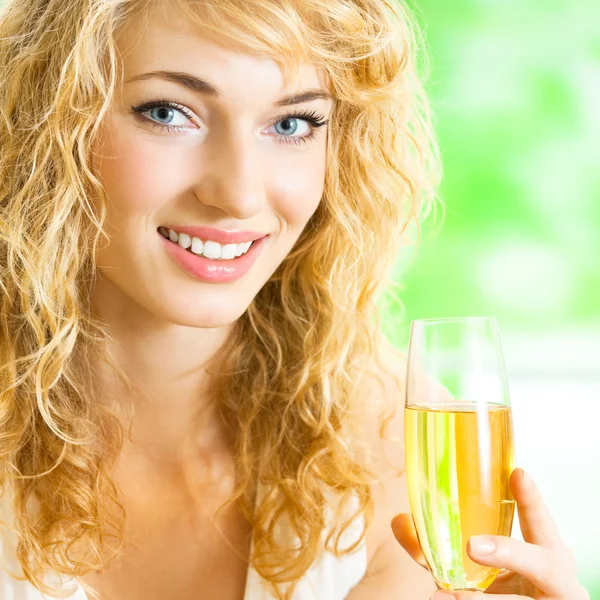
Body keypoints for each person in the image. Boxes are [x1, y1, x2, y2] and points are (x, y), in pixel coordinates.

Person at [0, 0, 588, 599]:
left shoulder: (391, 448)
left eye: (291, 124)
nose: (238, 194)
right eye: (168, 112)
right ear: (45, 124)